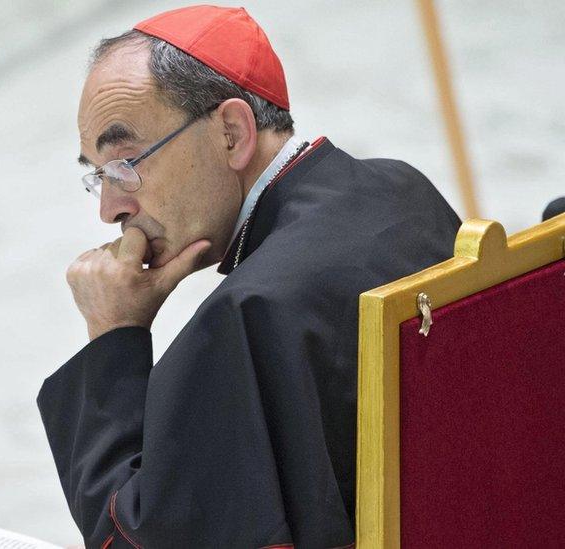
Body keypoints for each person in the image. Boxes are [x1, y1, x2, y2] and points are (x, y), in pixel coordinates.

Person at [36, 5, 461, 548]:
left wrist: (113, 336)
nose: (111, 209)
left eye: (126, 164)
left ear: (233, 133)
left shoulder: (248, 314)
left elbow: (133, 541)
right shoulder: (402, 190)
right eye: (98, 176)